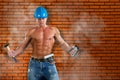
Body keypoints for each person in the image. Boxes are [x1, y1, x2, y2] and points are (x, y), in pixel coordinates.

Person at [8, 6, 79, 80]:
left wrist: (70, 50)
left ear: (46, 18)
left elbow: (62, 43)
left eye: (43, 18)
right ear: (35, 19)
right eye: (39, 19)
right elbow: (22, 47)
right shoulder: (31, 32)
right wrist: (14, 53)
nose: (41, 21)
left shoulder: (53, 30)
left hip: (49, 63)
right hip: (34, 65)